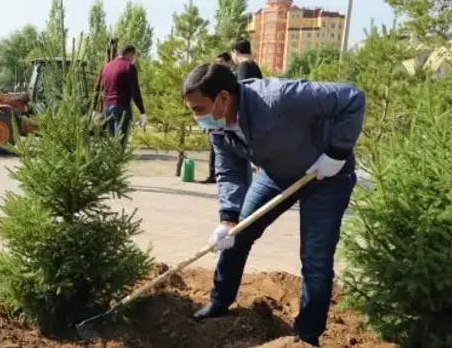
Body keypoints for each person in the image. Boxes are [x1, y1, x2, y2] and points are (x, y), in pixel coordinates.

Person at [182, 63, 365, 347]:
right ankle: (219, 301)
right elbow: (229, 171)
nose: (196, 116)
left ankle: (306, 336)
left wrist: (337, 152)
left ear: (223, 98)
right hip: (276, 174)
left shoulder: (279, 97)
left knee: (315, 260)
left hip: (327, 175)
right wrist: (228, 217)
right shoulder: (218, 128)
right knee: (237, 236)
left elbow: (352, 97)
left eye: (198, 108)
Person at [98, 44, 147, 146]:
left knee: (111, 143)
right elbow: (135, 92)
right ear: (131, 55)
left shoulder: (106, 66)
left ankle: (110, 161)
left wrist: (96, 110)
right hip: (121, 108)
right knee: (120, 143)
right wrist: (142, 112)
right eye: (133, 57)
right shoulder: (129, 67)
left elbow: (98, 88)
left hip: (107, 108)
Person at [199, 52, 235, 184]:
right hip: (214, 118)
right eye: (217, 63)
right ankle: (212, 174)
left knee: (227, 148)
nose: (218, 65)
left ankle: (225, 175)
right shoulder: (214, 79)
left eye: (221, 62)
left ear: (229, 63)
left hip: (228, 118)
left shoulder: (233, 78)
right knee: (213, 146)